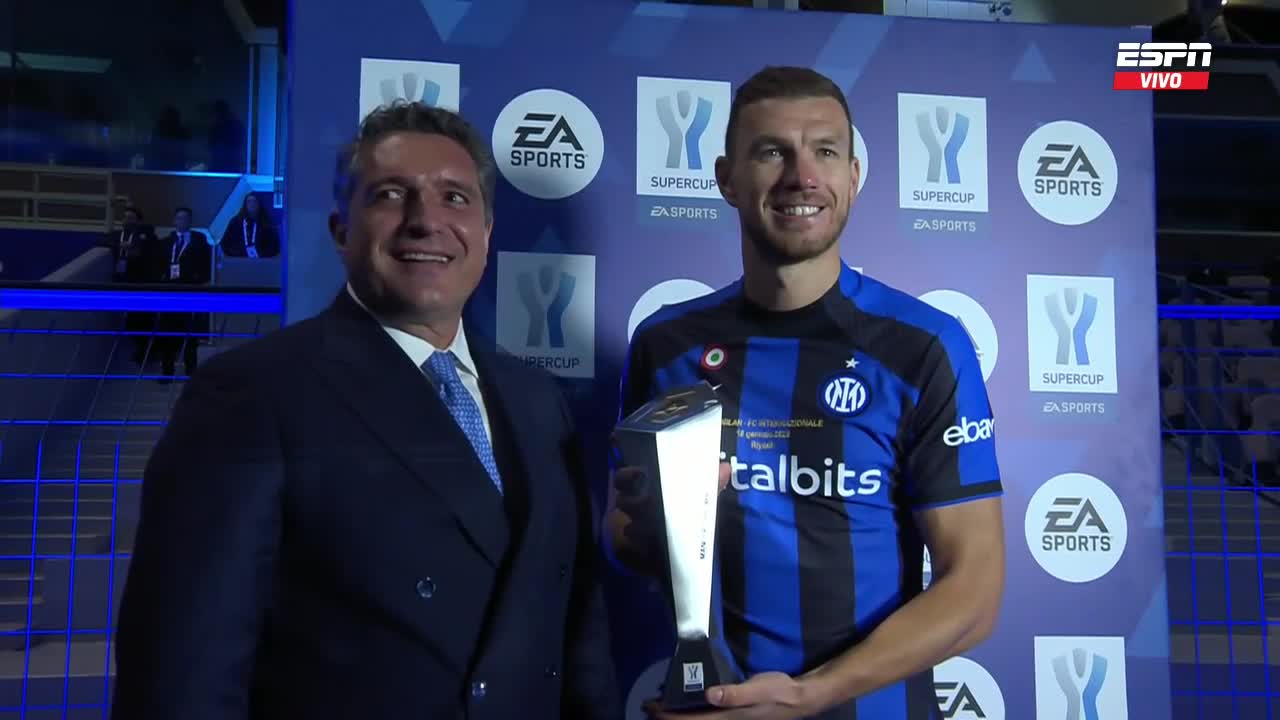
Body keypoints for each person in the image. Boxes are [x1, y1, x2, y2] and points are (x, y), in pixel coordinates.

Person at [111, 100, 620, 720]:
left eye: (455, 198)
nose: (425, 221)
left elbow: (577, 631)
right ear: (340, 231)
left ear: (487, 235)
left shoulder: (537, 400)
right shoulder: (251, 395)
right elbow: (181, 676)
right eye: (390, 195)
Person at [607, 66, 1006, 720]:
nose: (802, 176)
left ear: (854, 175)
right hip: (710, 708)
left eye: (825, 151)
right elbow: (624, 538)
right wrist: (655, 521)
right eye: (772, 152)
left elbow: (976, 590)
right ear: (726, 179)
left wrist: (810, 695)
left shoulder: (923, 347)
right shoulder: (666, 344)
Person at [153, 206, 213, 379]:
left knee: (190, 333)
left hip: (190, 291)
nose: (182, 221)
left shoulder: (199, 240)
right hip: (169, 292)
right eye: (179, 218)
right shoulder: (166, 242)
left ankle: (191, 370)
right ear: (174, 221)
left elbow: (206, 264)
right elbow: (158, 265)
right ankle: (167, 371)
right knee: (167, 333)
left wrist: (198, 279)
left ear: (190, 221)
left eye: (185, 218)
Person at [99, 205, 158, 364]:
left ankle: (145, 351)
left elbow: (148, 248)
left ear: (138, 221)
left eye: (131, 218)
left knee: (140, 320)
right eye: (125, 217)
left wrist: (132, 248)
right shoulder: (117, 235)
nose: (127, 221)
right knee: (126, 320)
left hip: (139, 284)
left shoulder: (145, 235)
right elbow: (101, 241)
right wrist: (119, 245)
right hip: (121, 282)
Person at [220, 192, 280, 259]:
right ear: (245, 204)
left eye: (254, 201)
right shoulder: (235, 223)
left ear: (259, 204)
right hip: (238, 262)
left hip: (261, 262)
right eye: (249, 201)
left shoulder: (266, 223)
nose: (252, 204)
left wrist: (259, 254)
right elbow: (225, 244)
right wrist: (241, 254)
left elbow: (274, 247)